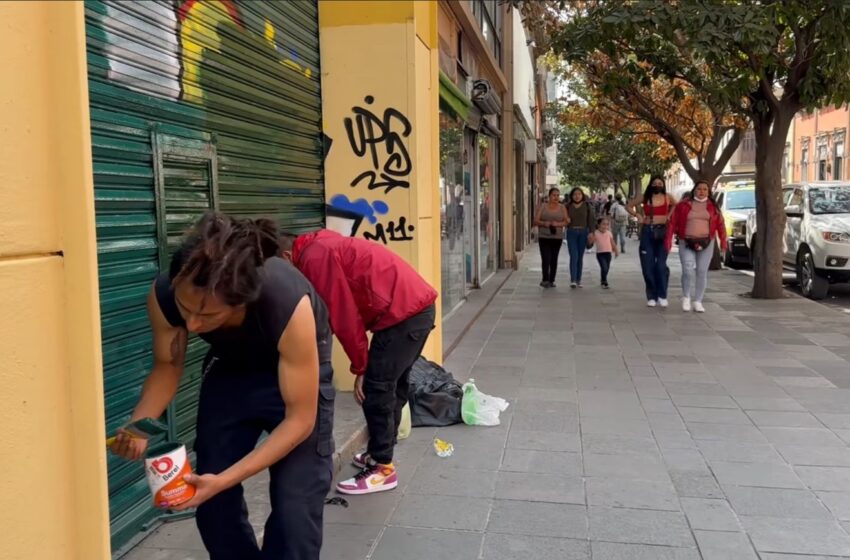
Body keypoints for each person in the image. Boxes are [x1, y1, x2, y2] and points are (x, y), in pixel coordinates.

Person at [110, 213, 335, 559]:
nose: (194, 324)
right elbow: (168, 365)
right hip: (230, 371)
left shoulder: (287, 305)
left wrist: (224, 479)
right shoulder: (165, 295)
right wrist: (139, 424)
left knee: (295, 513)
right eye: (186, 309)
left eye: (210, 316)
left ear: (242, 301)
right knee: (211, 506)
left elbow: (300, 420)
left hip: (295, 380)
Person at [279, 229, 437, 495]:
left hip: (403, 315)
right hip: (412, 309)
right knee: (392, 387)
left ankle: (383, 469)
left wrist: (360, 367)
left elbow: (344, 317)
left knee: (376, 389)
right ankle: (380, 454)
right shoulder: (318, 244)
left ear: (286, 256)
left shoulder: (314, 257)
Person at [666, 180, 727, 313]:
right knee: (687, 269)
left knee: (701, 272)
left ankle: (698, 301)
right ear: (694, 190)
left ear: (708, 192)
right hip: (686, 242)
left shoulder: (713, 207)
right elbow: (672, 222)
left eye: (705, 189)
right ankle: (686, 296)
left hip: (706, 242)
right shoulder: (683, 205)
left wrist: (723, 242)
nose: (701, 191)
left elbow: (721, 225)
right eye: (699, 189)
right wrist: (668, 240)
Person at [628, 176, 675, 307]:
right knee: (647, 267)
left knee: (660, 265)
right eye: (655, 183)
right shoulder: (645, 197)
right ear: (651, 185)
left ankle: (662, 294)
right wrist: (638, 215)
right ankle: (651, 295)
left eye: (660, 183)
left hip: (663, 232)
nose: (657, 185)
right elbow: (629, 206)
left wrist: (669, 216)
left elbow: (676, 205)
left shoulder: (668, 197)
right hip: (648, 232)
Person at [534, 187, 570, 288]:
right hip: (544, 236)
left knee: (554, 259)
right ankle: (545, 279)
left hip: (557, 237)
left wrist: (558, 224)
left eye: (558, 195)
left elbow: (567, 221)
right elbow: (536, 220)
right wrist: (544, 223)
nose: (556, 197)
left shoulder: (562, 207)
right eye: (554, 195)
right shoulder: (543, 206)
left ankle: (551, 280)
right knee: (546, 258)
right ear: (549, 196)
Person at [565, 187, 596, 288]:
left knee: (580, 257)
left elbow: (591, 220)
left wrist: (591, 232)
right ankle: (573, 279)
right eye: (575, 194)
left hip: (583, 232)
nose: (577, 196)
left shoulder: (587, 206)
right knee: (574, 256)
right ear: (572, 196)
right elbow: (563, 218)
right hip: (571, 232)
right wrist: (566, 220)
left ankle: (579, 280)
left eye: (579, 194)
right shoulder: (567, 206)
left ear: (582, 195)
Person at [594, 217, 619, 288]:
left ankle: (603, 280)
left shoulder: (609, 233)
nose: (605, 226)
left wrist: (616, 250)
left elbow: (612, 242)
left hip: (608, 253)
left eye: (607, 224)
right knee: (604, 267)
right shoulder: (596, 233)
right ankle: (604, 281)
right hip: (600, 254)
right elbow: (591, 242)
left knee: (607, 268)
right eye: (603, 224)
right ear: (598, 225)